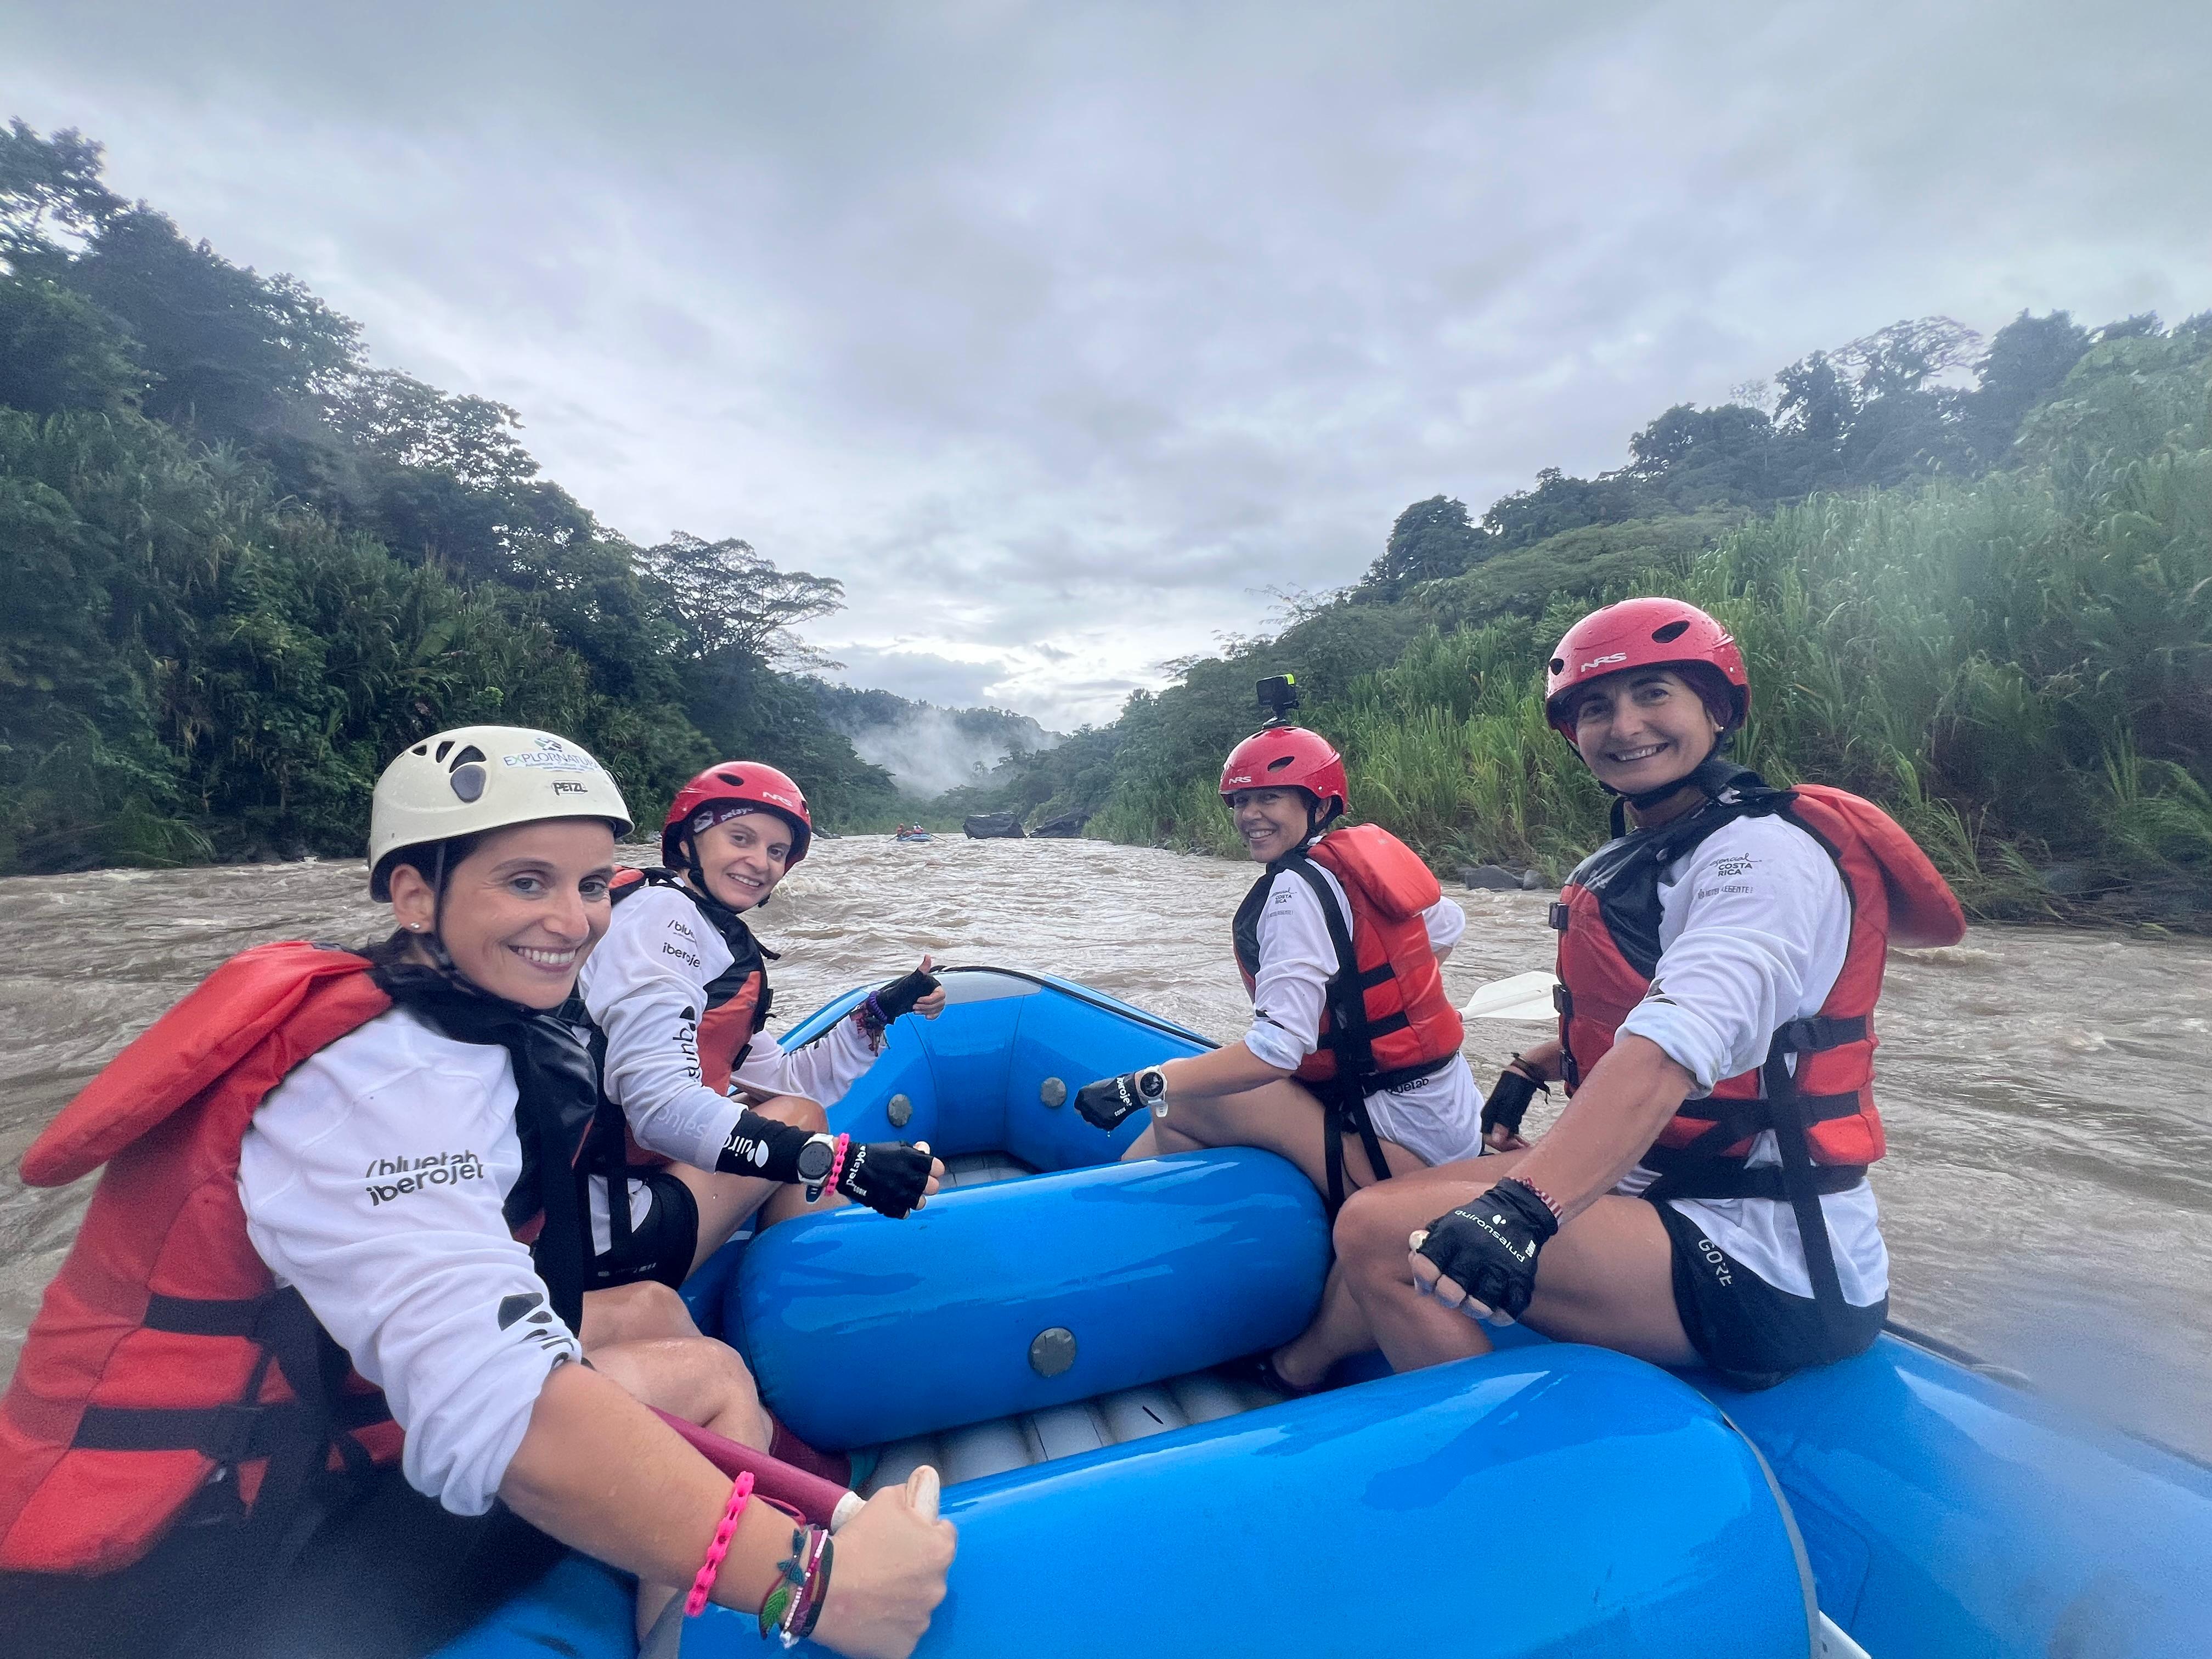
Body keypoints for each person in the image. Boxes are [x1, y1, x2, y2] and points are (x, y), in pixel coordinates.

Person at [0, 727, 953, 1659]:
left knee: (657, 1307)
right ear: (416, 892)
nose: (577, 920)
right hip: (196, 1555)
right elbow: (505, 1414)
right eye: (525, 881)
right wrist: (814, 1580)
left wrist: (875, 1014)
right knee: (710, 1380)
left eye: (588, 885)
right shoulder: (365, 1082)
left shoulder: (448, 1021)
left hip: (316, 1427)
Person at [1324, 599, 1966, 1391]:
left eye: (1654, 694)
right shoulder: (1674, 847)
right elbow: (1646, 1019)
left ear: (1717, 707)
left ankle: (1499, 1483)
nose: (1625, 726)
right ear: (1575, 735)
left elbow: (1679, 1040)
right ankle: (1298, 1370)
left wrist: (1525, 1211)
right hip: (1667, 1195)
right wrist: (1531, 1069)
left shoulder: (1762, 859)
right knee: (1390, 1200)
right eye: (1597, 708)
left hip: (1769, 1258)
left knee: (1383, 1233)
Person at [1069, 685, 1487, 1392]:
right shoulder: (1365, 860)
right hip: (1448, 1120)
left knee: (1177, 1110)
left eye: (1271, 799)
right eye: (1240, 802)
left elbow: (1274, 1051)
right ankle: (1293, 1350)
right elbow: (1445, 930)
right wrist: (1357, 1012)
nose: (1250, 816)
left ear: (1317, 805)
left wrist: (1143, 1084)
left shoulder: (1294, 892)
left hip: (1390, 1134)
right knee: (1191, 1116)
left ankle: (1090, 1251)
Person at [576, 761, 948, 1314]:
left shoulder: (673, 918)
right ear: (690, 839)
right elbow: (660, 1108)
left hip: (578, 1202)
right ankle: (794, 1312)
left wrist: (879, 1012)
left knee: (789, 1108)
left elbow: (787, 1078)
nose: (760, 863)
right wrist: (842, 1162)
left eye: (777, 851)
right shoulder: (667, 927)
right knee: (800, 1122)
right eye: (741, 838)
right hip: (595, 1233)